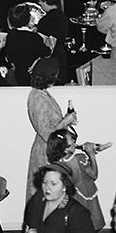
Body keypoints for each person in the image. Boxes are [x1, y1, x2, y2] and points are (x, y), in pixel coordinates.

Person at [27, 59, 75, 197]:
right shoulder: (38, 98)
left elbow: (50, 125)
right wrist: (65, 121)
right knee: (46, 194)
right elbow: (47, 134)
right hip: (45, 152)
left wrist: (65, 120)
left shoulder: (41, 93)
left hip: (49, 149)